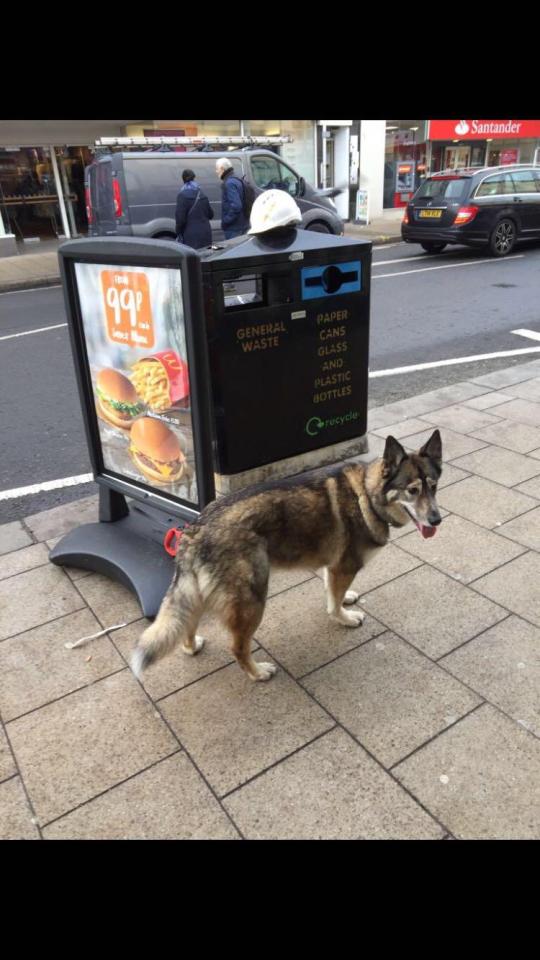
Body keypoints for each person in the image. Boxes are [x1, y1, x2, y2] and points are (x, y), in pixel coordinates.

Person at [175, 169, 214, 249]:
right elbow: (211, 215)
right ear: (193, 178)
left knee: (193, 259)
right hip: (206, 233)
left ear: (183, 180)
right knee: (206, 257)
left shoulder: (182, 196)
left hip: (191, 236)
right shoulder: (201, 194)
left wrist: (178, 232)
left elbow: (180, 220)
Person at [215, 157, 248, 239]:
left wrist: (226, 220)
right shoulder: (237, 179)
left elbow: (236, 206)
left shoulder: (229, 183)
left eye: (217, 169)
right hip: (242, 224)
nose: (216, 171)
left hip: (234, 228)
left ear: (222, 169)